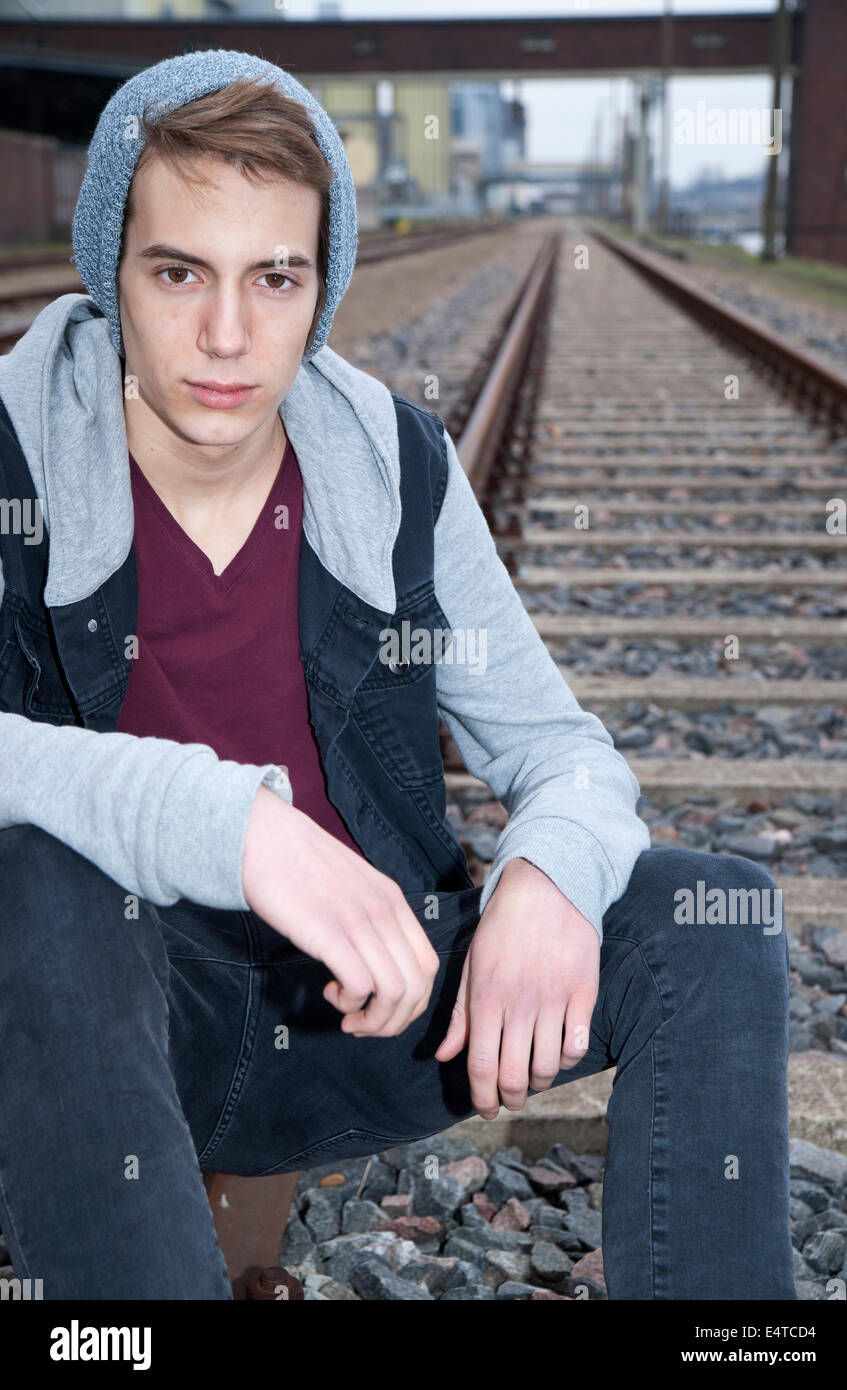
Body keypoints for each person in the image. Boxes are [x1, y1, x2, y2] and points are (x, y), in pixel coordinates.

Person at [0, 49, 795, 1301]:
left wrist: (545, 876)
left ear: (321, 288)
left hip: (376, 1009)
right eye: (178, 273)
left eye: (275, 279)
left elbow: (563, 751)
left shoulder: (394, 464)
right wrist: (232, 824)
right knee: (34, 877)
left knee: (715, 920)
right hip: (113, 1023)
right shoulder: (17, 455)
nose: (226, 334)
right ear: (112, 272)